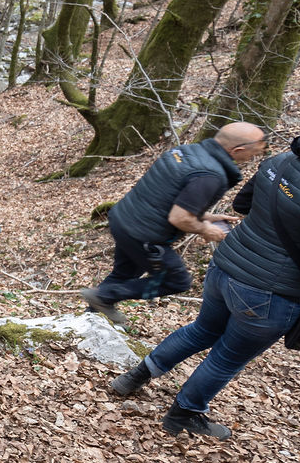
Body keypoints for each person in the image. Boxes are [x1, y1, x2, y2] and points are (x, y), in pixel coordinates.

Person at [111, 109, 300, 439]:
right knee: (227, 357)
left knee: (201, 331)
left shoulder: (279, 162)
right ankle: (184, 415)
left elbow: (244, 205)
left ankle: (135, 377)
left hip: (225, 267)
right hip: (270, 293)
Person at [80, 122, 267, 326]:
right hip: (145, 235)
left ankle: (93, 316)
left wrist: (205, 217)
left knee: (124, 273)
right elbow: (179, 218)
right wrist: (205, 229)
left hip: (123, 219)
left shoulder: (186, 151)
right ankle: (102, 297)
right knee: (177, 281)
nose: (252, 158)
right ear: (238, 150)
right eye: (253, 154)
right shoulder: (211, 175)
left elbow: (168, 197)